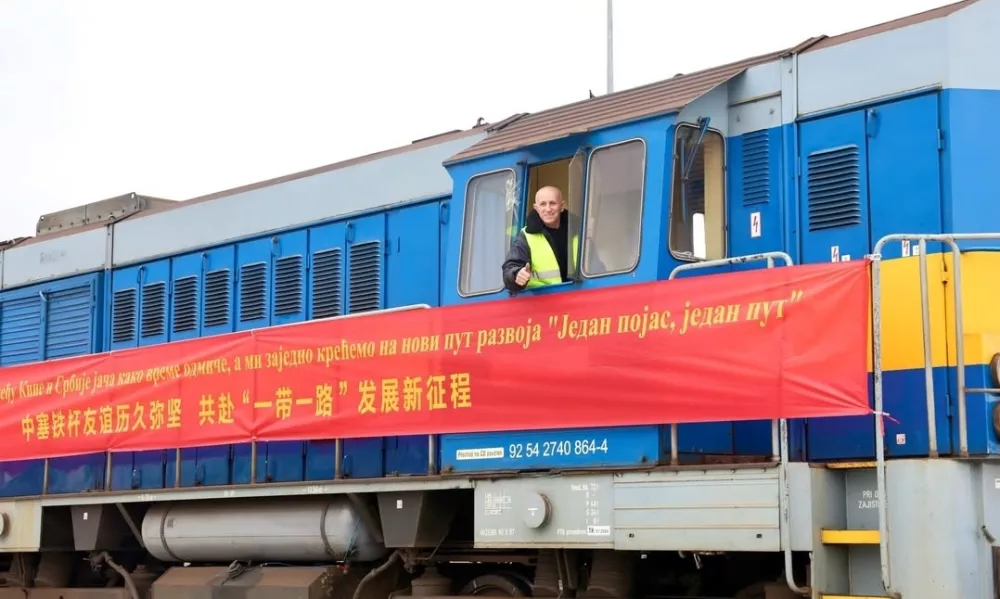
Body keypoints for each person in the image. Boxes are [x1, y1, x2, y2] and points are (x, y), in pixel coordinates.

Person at [502, 186, 580, 294]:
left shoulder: (579, 231)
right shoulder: (526, 236)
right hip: (545, 303)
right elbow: (509, 269)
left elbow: (596, 267)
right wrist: (516, 274)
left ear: (562, 206)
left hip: (579, 298)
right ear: (536, 208)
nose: (548, 209)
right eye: (543, 204)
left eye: (552, 203)